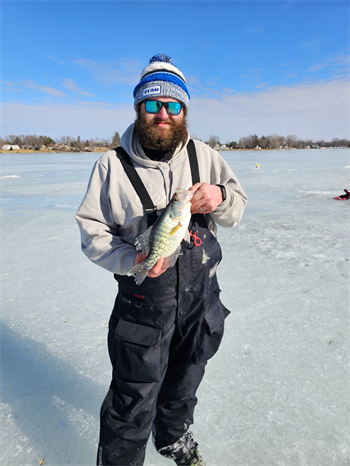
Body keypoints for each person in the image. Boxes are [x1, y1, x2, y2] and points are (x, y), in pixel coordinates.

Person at [76, 53, 248, 466]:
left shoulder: (205, 156)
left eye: (173, 105)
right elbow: (91, 232)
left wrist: (222, 197)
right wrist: (131, 258)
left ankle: (173, 437)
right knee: (133, 393)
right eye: (153, 104)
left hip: (200, 297)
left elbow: (238, 207)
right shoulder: (110, 167)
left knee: (186, 379)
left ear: (184, 110)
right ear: (139, 108)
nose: (163, 114)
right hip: (143, 306)